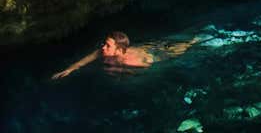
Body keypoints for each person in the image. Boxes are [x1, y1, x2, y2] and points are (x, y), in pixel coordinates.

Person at [51, 31, 197, 79]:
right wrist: (71, 69)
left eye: (108, 45)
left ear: (119, 51)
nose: (103, 47)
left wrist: (122, 72)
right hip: (146, 47)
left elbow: (148, 68)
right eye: (104, 43)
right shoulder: (104, 51)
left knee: (182, 48)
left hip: (156, 55)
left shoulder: (133, 62)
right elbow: (88, 58)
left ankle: (195, 40)